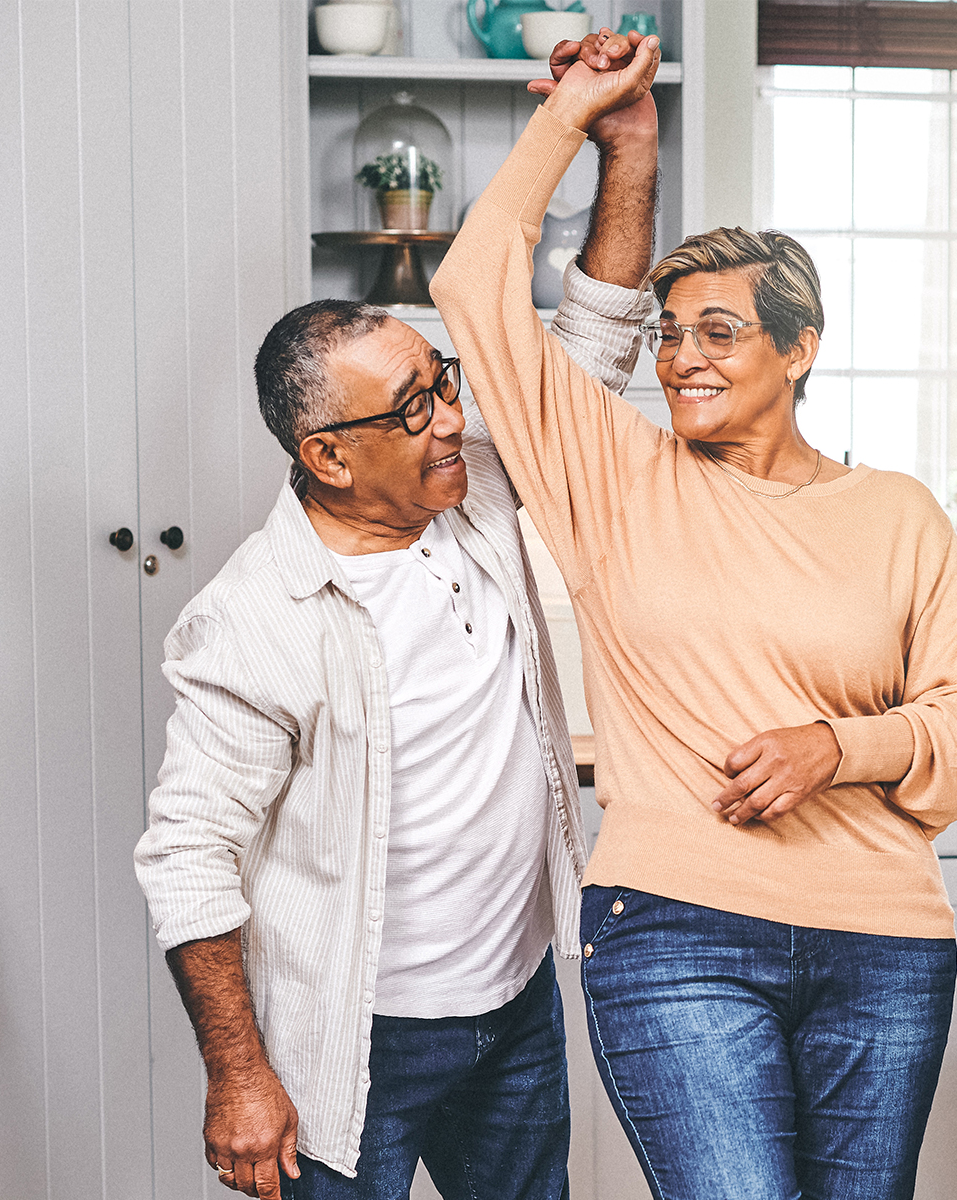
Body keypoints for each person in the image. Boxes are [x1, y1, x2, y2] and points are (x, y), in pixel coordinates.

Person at [431, 33, 957, 1200]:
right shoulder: (612, 477)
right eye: (670, 334)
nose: (681, 361)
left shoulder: (895, 512)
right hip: (675, 932)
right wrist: (586, 125)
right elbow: (472, 290)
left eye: (718, 332)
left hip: (885, 942)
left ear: (800, 350)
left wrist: (838, 747)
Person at [130, 49, 660, 1198]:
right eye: (412, 405)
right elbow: (187, 858)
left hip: (517, 1013)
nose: (449, 418)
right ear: (326, 455)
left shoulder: (467, 493)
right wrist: (239, 1077)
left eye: (445, 380)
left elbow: (595, 352)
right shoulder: (252, 620)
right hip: (349, 1042)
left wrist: (628, 150)